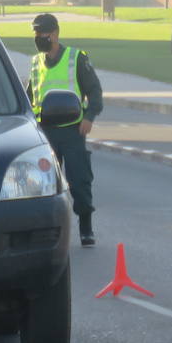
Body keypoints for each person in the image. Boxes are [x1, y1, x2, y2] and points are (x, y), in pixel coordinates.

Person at [27, 13, 103, 247]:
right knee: (43, 185)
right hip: (45, 133)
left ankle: (86, 227)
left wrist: (89, 117)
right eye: (37, 34)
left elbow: (95, 91)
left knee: (79, 181)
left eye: (44, 33)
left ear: (56, 34)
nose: (40, 38)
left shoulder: (76, 58)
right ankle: (45, 231)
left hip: (72, 131)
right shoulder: (36, 62)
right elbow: (30, 97)